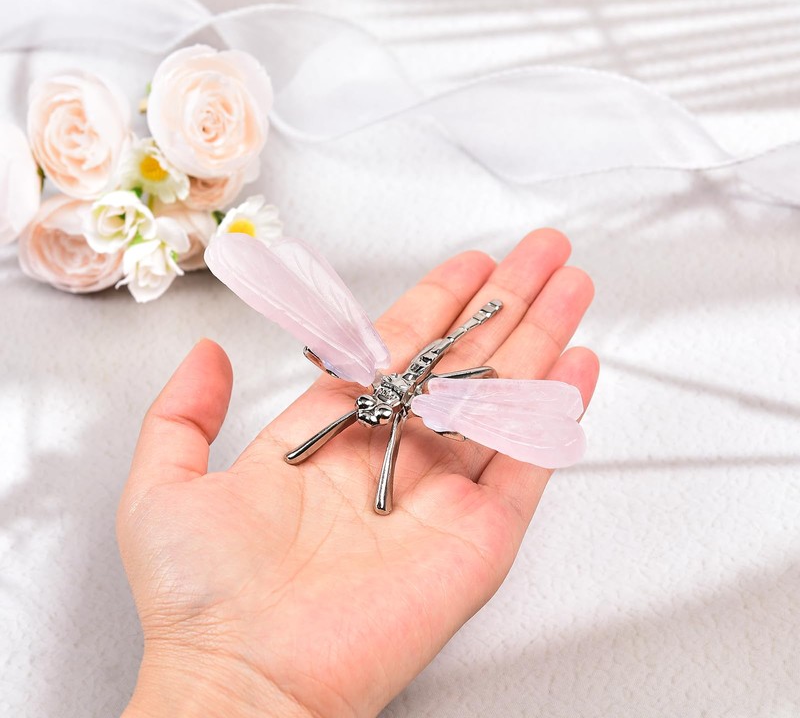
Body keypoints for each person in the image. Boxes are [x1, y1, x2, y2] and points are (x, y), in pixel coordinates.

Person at [117, 229, 599, 717]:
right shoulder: (376, 389)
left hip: (436, 382)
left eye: (377, 410)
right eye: (371, 408)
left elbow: (427, 423)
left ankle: (470, 330)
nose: (369, 414)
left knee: (455, 355)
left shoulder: (414, 407)